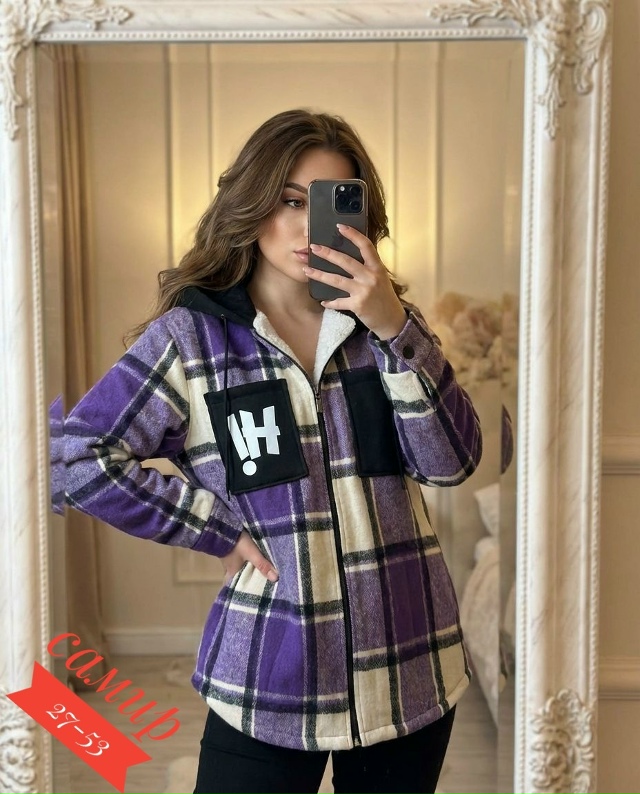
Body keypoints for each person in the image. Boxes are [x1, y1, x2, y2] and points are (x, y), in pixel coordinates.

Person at [59, 109, 482, 794]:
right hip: (268, 677)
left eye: (330, 202)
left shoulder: (389, 328)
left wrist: (393, 327)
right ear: (252, 204)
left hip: (411, 664)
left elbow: (451, 463)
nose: (307, 225)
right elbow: (76, 457)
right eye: (289, 199)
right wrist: (213, 528)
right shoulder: (190, 340)